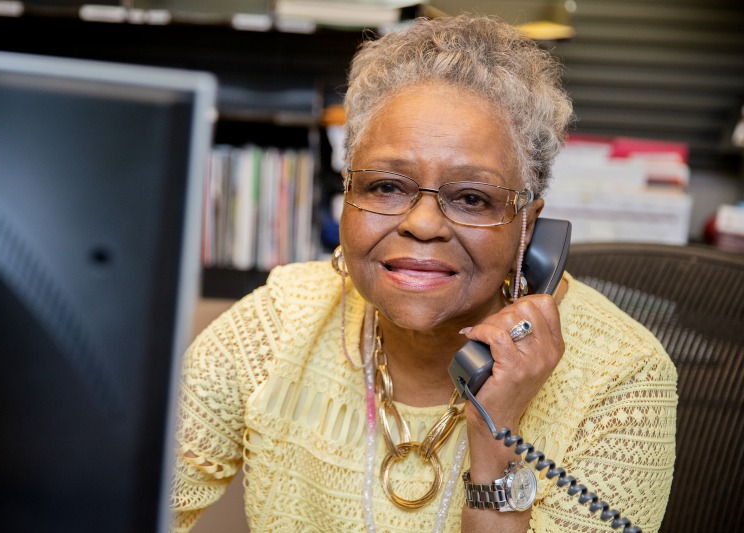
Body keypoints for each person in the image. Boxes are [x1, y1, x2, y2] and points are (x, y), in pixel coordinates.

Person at [170, 13, 677, 533]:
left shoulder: (622, 379)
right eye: (387, 186)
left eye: (472, 198)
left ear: (528, 225)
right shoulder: (276, 323)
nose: (423, 224)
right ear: (347, 195)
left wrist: (496, 437)